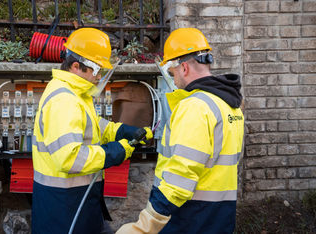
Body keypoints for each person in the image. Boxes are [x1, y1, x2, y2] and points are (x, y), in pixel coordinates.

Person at [117, 28, 244, 234]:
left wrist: (144, 226)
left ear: (183, 67)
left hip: (190, 216)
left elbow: (180, 178)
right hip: (220, 213)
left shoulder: (195, 107)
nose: (172, 77)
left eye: (171, 71)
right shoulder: (229, 104)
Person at [31, 28, 153, 234]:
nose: (99, 77)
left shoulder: (75, 93)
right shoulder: (64, 100)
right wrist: (115, 151)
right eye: (96, 70)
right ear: (77, 66)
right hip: (63, 205)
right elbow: (70, 158)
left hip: (75, 198)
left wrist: (124, 131)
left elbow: (92, 126)